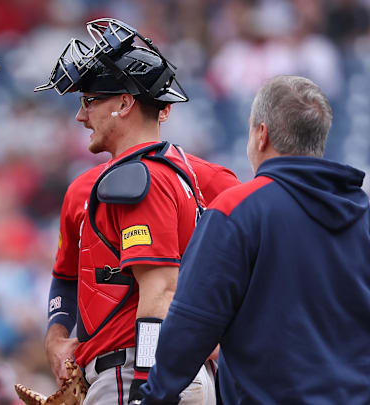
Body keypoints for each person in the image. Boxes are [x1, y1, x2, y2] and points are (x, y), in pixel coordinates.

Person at [35, 18, 239, 405]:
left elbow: (160, 294)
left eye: (89, 101)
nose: (81, 116)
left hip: (136, 371)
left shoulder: (139, 178)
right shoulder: (170, 173)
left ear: (125, 104)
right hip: (156, 371)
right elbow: (68, 277)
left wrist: (147, 386)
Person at [140, 75, 370, 404]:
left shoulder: (239, 210)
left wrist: (154, 396)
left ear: (261, 135)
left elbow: (192, 323)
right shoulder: (363, 214)